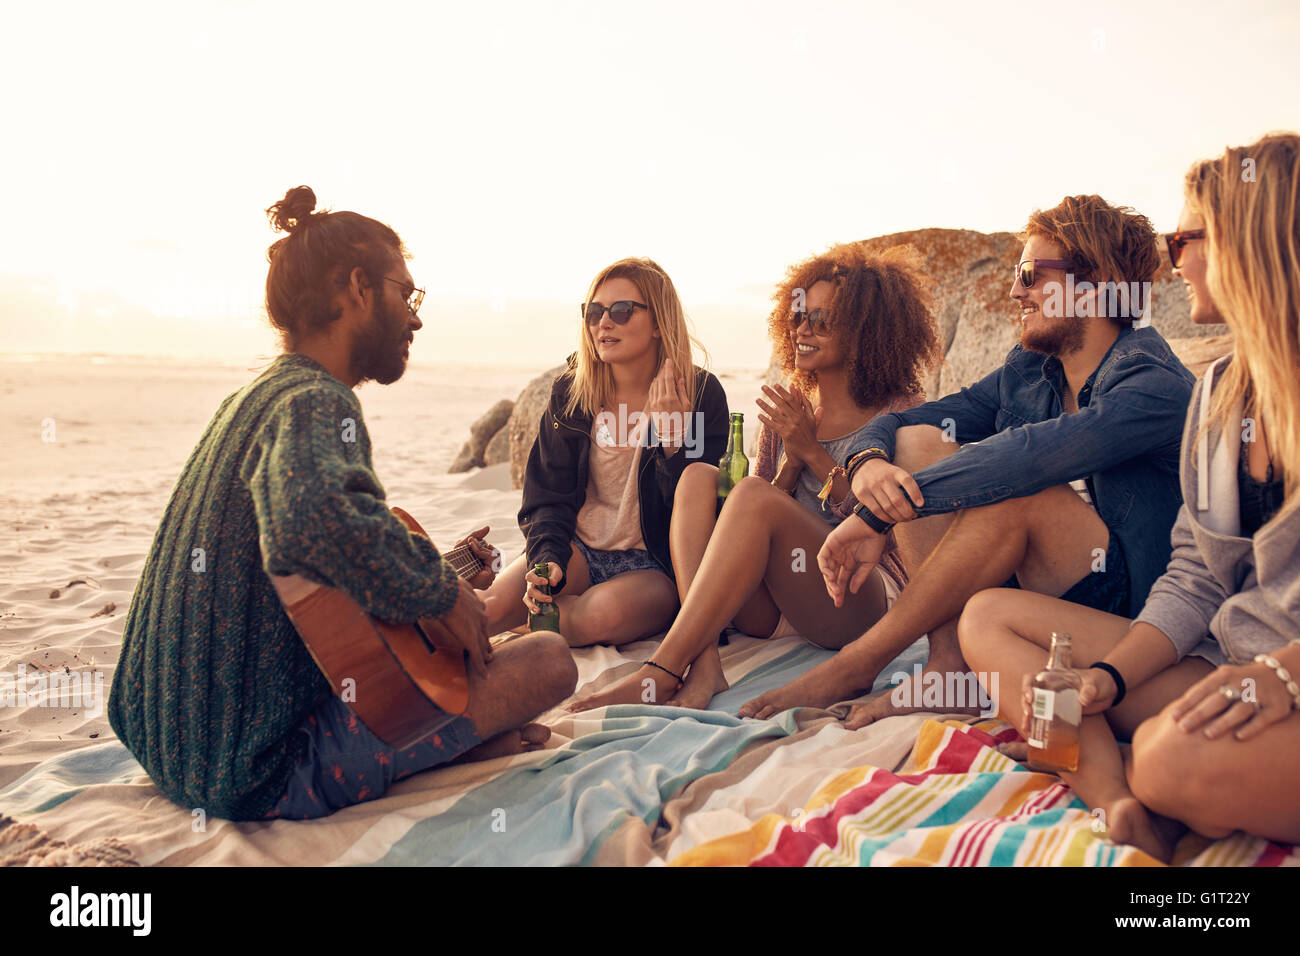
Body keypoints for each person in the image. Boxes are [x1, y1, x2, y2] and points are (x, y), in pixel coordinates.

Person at [107, 186, 576, 822]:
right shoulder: (318, 401)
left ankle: (450, 742)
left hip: (160, 733)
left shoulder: (252, 401)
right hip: (253, 768)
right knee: (548, 661)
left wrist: (439, 573)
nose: (414, 318)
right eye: (405, 295)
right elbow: (308, 523)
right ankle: (439, 750)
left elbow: (312, 571)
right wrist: (438, 594)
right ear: (357, 288)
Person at [959, 132, 1300, 861]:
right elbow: (1199, 576)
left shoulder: (1153, 381)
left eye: (1188, 238)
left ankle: (1163, 784)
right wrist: (1109, 680)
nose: (1174, 261)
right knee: (989, 617)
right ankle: (1121, 807)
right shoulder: (1220, 395)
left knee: (1169, 759)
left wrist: (1283, 672)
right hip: (1225, 668)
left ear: (1251, 240)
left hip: (1282, 678)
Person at [740, 195, 1196, 727]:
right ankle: (947, 668)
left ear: (1091, 284)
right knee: (917, 442)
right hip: (1050, 596)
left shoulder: (1151, 383)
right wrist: (865, 461)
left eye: (1030, 274)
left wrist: (876, 515)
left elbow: (1028, 457)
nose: (1015, 290)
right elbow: (910, 421)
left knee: (1024, 497)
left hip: (1140, 622)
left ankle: (858, 662)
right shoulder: (1030, 372)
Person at [568, 243, 941, 711]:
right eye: (798, 317)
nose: (803, 329)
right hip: (774, 603)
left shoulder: (904, 414)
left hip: (855, 597)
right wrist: (790, 462)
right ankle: (703, 665)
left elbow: (897, 533)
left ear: (868, 331)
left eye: (821, 320)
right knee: (699, 478)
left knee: (749, 494)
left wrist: (812, 453)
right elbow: (758, 510)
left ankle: (661, 669)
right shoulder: (787, 411)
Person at [479, 257, 730, 647]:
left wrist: (672, 439)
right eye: (594, 312)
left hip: (656, 565)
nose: (603, 323)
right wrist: (548, 560)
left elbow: (696, 507)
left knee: (588, 618)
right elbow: (547, 496)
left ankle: (526, 626)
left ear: (660, 323)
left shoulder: (698, 395)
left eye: (621, 311)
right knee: (491, 608)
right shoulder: (572, 394)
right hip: (577, 548)